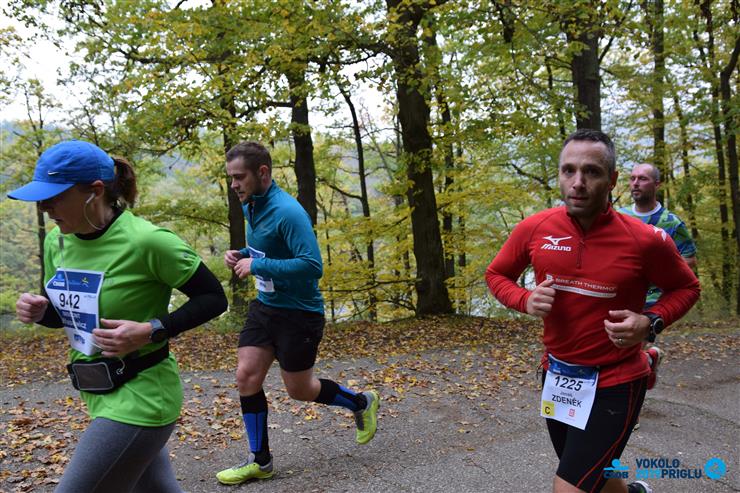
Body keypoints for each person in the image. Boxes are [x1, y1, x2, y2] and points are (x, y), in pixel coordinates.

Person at [485, 129, 700, 493]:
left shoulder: (644, 239)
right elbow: (496, 274)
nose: (578, 182)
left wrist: (650, 321)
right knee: (595, 475)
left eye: (592, 172)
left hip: (617, 379)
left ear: (612, 180)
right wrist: (524, 299)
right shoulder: (535, 228)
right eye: (568, 170)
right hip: (558, 376)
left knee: (571, 485)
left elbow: (687, 287)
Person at [9, 140, 228, 493]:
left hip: (143, 395)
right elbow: (65, 314)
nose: (44, 207)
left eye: (54, 196)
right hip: (99, 391)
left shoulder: (149, 241)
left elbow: (214, 297)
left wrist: (153, 329)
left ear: (95, 191)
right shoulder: (57, 242)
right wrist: (40, 311)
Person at [216, 141, 379, 485]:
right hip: (266, 307)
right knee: (246, 376)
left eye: (239, 177)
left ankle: (360, 402)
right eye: (231, 177)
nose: (234, 185)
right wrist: (243, 253)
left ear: (262, 172)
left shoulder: (288, 212)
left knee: (300, 389)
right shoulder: (251, 204)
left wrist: (257, 265)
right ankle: (260, 461)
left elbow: (311, 265)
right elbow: (269, 248)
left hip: (299, 314)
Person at [618, 163, 698, 392]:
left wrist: (658, 273)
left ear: (657, 184)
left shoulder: (671, 222)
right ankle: (650, 360)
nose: (635, 183)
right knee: (621, 348)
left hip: (652, 299)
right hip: (620, 293)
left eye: (642, 179)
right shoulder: (620, 216)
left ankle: (630, 399)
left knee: (631, 348)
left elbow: (689, 258)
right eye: (633, 178)